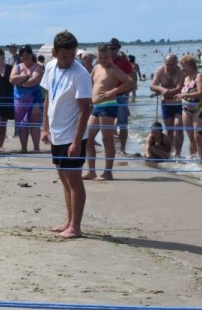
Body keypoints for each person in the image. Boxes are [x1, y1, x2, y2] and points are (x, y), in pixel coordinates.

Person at [40, 31, 92, 239]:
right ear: (55, 52)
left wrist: (77, 141)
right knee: (63, 178)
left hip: (73, 134)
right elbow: (48, 98)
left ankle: (76, 227)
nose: (69, 60)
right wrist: (45, 127)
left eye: (72, 56)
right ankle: (69, 220)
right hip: (56, 132)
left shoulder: (81, 74)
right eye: (64, 56)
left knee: (74, 179)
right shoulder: (50, 66)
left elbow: (85, 109)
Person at [86, 44, 133, 181]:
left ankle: (108, 172)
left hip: (109, 105)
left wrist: (113, 92)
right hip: (96, 106)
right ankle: (91, 171)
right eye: (100, 57)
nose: (103, 60)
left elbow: (129, 82)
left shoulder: (114, 69)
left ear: (110, 56)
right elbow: (90, 82)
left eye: (105, 57)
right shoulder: (96, 68)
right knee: (88, 138)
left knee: (107, 139)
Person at [10, 44, 44, 154]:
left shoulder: (37, 67)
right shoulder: (18, 66)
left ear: (31, 55)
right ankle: (23, 148)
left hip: (34, 98)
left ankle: (36, 147)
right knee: (21, 123)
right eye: (23, 55)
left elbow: (35, 80)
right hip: (19, 100)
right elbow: (12, 79)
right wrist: (25, 77)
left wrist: (20, 83)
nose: (25, 57)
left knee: (34, 123)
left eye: (27, 55)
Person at [150, 54, 183, 157]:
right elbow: (152, 85)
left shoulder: (181, 71)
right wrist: (161, 90)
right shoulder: (160, 70)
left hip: (179, 103)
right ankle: (170, 151)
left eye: (173, 64)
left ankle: (178, 153)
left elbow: (179, 88)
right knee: (169, 130)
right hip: (166, 104)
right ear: (164, 64)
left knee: (178, 127)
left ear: (177, 63)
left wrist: (168, 92)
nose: (170, 67)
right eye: (168, 65)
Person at [176, 55, 202, 162]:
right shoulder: (185, 78)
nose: (181, 68)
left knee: (198, 136)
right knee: (190, 136)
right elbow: (184, 93)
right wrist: (180, 96)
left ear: (192, 66)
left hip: (199, 108)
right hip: (186, 109)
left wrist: (184, 95)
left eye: (184, 66)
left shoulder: (199, 76)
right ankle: (192, 160)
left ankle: (201, 162)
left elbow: (201, 93)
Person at [108, 39, 134, 154]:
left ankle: (123, 149)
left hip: (120, 96)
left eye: (114, 48)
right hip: (106, 97)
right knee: (106, 124)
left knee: (123, 124)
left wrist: (126, 92)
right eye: (110, 48)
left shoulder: (124, 62)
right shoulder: (104, 61)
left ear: (118, 49)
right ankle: (110, 148)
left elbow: (131, 80)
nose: (111, 50)